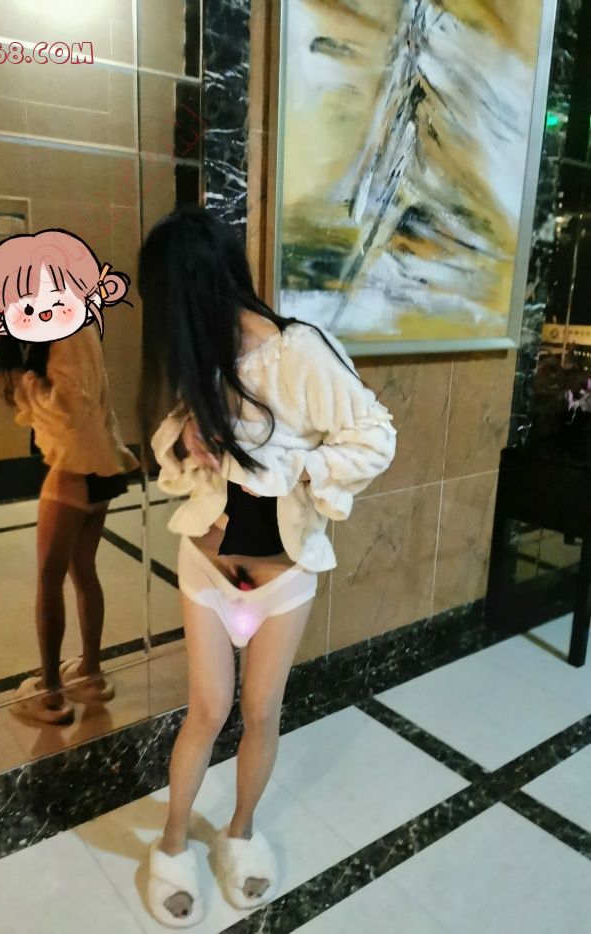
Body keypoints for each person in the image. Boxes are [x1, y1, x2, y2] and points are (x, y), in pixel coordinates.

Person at [138, 206, 396, 926]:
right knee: (207, 709)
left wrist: (293, 470)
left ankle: (241, 832)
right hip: (206, 567)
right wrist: (187, 441)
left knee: (261, 712)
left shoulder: (300, 352)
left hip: (281, 578)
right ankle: (171, 843)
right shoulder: (209, 357)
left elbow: (375, 436)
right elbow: (172, 442)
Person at [0, 229, 138, 724]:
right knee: (83, 570)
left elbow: (69, 409)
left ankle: (53, 694)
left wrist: (27, 384)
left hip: (75, 469)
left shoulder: (60, 330)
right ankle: (91, 674)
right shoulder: (79, 321)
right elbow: (94, 402)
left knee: (49, 578)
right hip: (100, 468)